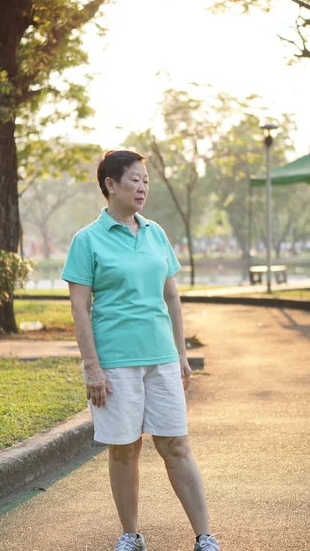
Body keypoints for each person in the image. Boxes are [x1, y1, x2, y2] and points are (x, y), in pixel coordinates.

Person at [61, 149, 219, 551]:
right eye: (134, 179)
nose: (143, 187)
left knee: (176, 444)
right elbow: (80, 306)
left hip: (161, 357)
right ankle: (131, 535)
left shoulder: (155, 233)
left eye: (146, 180)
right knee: (124, 450)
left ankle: (205, 536)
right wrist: (92, 367)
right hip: (115, 362)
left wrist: (181, 352)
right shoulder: (87, 239)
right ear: (110, 185)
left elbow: (171, 295)